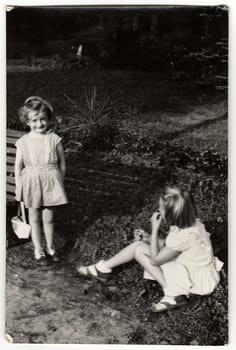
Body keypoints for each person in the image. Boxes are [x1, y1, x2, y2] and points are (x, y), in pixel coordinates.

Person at [77, 187, 223, 313]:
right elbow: (170, 246)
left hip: (195, 280)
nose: (158, 210)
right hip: (200, 271)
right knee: (139, 246)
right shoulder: (193, 224)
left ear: (171, 214)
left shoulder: (184, 235)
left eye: (161, 208)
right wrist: (148, 238)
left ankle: (173, 294)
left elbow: (155, 260)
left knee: (139, 250)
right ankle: (103, 269)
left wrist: (154, 230)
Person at [14, 96, 68, 265]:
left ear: (48, 119)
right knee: (34, 218)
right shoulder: (23, 142)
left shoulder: (54, 139)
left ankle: (50, 247)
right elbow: (18, 166)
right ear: (27, 122)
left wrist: (60, 182)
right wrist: (18, 186)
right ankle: (38, 249)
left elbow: (62, 164)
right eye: (35, 120)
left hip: (51, 183)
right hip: (31, 183)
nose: (39, 124)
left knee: (49, 217)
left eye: (43, 119)